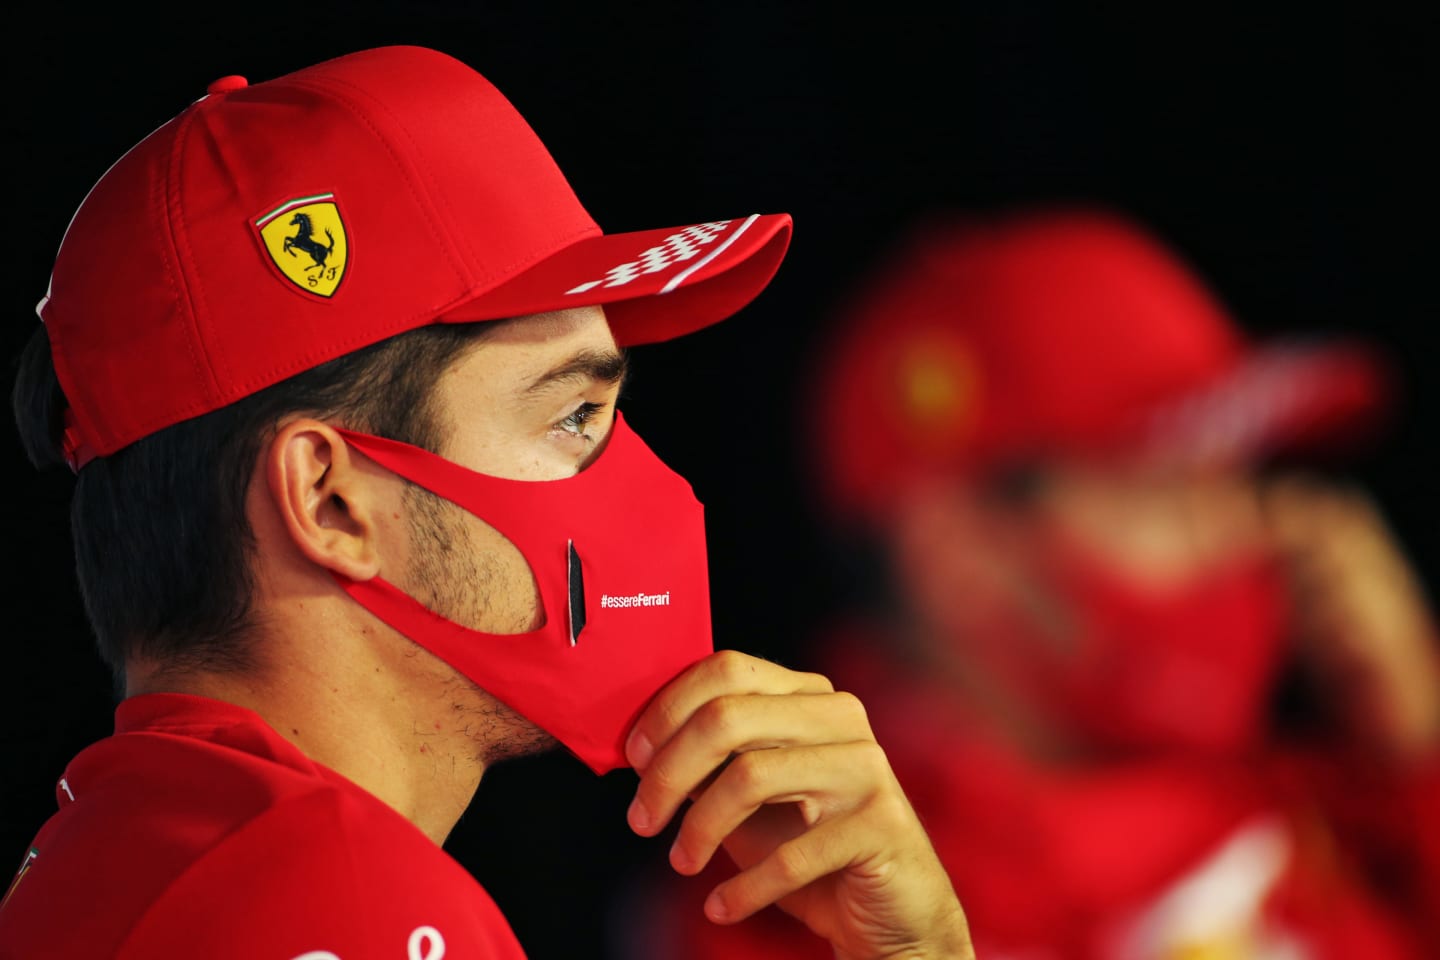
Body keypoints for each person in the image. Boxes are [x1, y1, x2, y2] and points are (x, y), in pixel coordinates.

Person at [0, 45, 972, 960]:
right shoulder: (345, 899)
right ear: (331, 502)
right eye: (574, 415)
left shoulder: (121, 862)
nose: (649, 482)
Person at [637, 207, 1440, 959]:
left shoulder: (1341, 801)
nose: (1254, 535)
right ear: (960, 553)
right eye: (1164, 489)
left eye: (1237, 481)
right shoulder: (776, 892)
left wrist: (1418, 751)